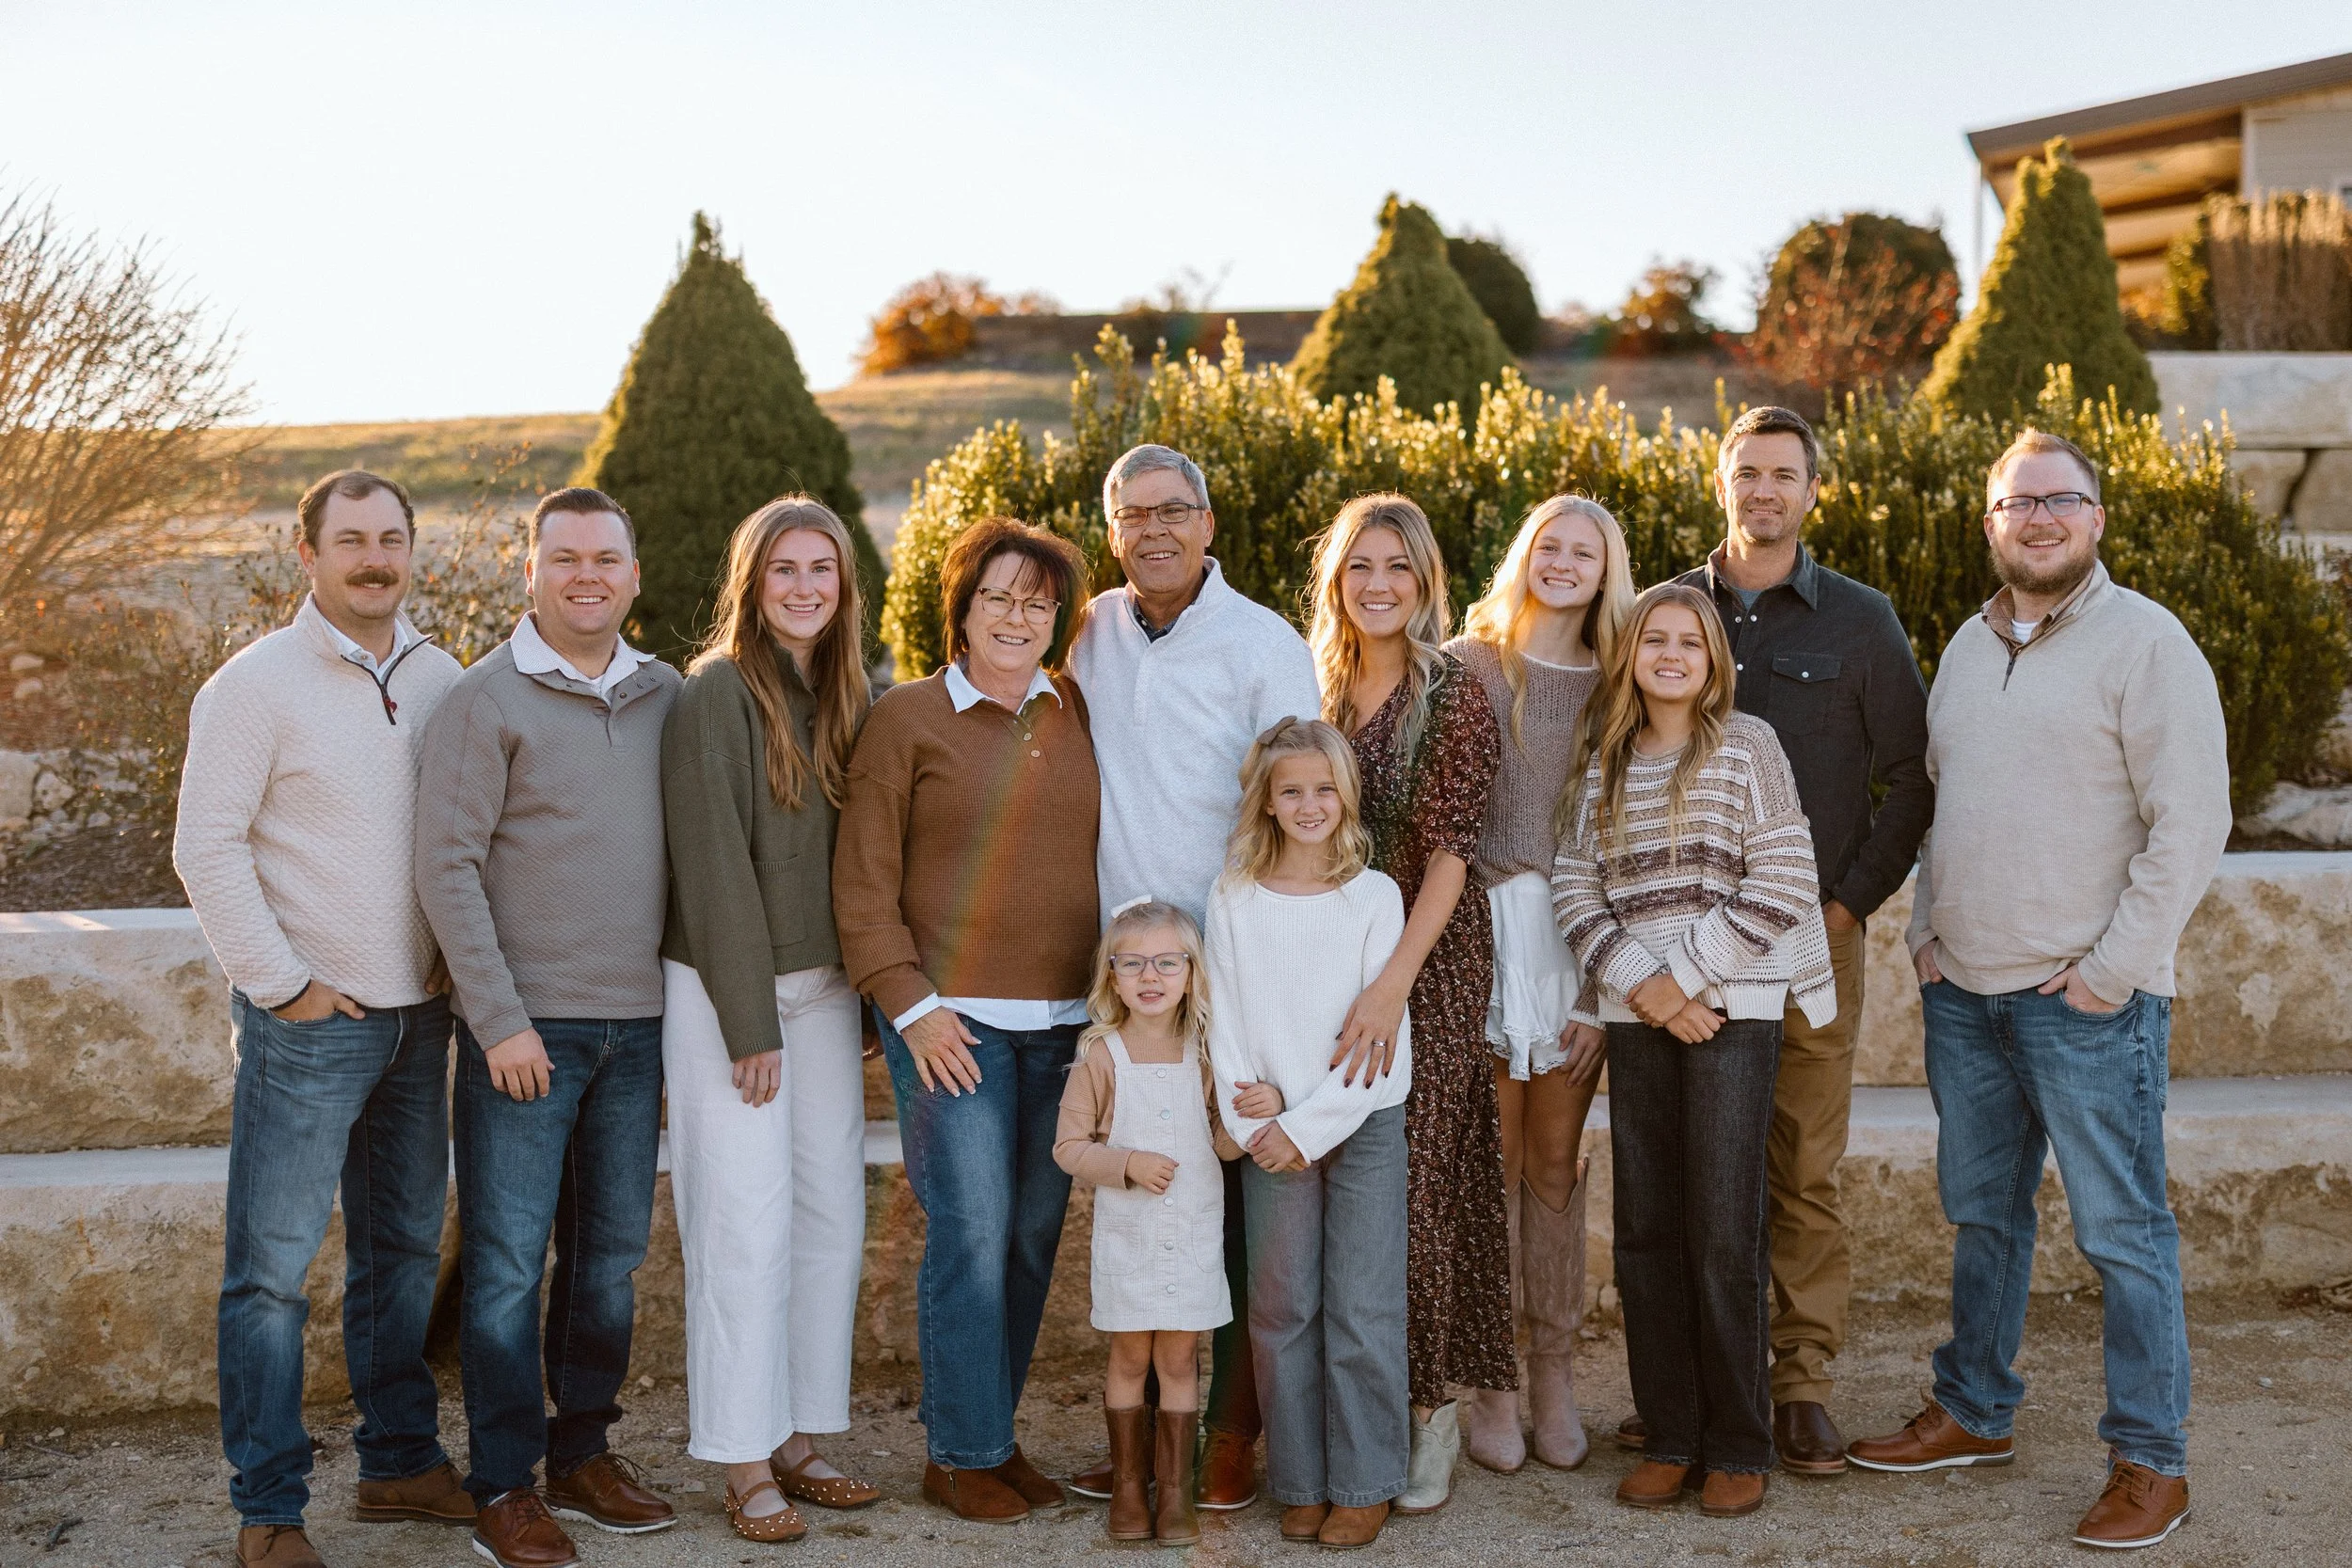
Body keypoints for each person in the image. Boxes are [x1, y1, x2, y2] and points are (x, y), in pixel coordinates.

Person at [1846, 430, 2230, 1552]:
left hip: (2086, 1003)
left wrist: (2111, 972)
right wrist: (1923, 932)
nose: (2041, 517)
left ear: (2098, 518)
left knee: (2123, 1232)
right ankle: (1973, 1409)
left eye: (2063, 499)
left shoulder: (2146, 643)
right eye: (2019, 503)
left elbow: (2190, 825)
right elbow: (1941, 797)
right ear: (1991, 523)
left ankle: (2152, 1459)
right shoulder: (1966, 645)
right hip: (1964, 992)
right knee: (1982, 1217)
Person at [175, 469, 468, 1568]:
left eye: (391, 537)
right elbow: (204, 845)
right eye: (350, 540)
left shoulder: (442, 677)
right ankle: (269, 1505)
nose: (374, 558)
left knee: (399, 1254)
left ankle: (397, 1461)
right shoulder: (252, 686)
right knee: (270, 1273)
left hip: (419, 1021)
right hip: (311, 1026)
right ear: (308, 556)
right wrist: (283, 984)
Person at [413, 487, 683, 1568]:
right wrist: (500, 1022)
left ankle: (583, 1451)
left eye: (605, 557)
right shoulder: (487, 699)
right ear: (530, 572)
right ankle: (502, 1482)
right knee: (508, 1266)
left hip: (640, 1029)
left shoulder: (667, 692)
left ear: (632, 572)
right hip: (523, 1035)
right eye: (563, 557)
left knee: (609, 1260)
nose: (586, 575)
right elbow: (445, 865)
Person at [1665, 404, 1931, 1473]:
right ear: (1720, 481)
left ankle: (1802, 1383)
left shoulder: (1860, 622)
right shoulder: (1665, 609)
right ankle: (1694, 1384)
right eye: (1747, 472)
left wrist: (1846, 903)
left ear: (1813, 492)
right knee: (1692, 1169)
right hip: (1682, 952)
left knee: (1801, 1168)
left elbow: (1912, 776)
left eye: (1784, 474)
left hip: (1810, 942)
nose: (1764, 490)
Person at [1066, 442, 1320, 1510]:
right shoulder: (1086, 634)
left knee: (1235, 1200)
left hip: (1234, 967)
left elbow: (1301, 801)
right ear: (1113, 528)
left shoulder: (1263, 642)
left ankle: (1229, 1429)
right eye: (1134, 514)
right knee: (1143, 1201)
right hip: (1128, 975)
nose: (1155, 530)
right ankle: (1152, 1436)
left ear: (1209, 523)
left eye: (1175, 510)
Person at [832, 516, 1101, 1524]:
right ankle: (958, 1451)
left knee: (1032, 1233)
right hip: (953, 1027)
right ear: (962, 605)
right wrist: (911, 1007)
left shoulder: (1073, 706)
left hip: (1068, 1024)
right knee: (972, 1228)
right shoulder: (905, 716)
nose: (1017, 616)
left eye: (1037, 602)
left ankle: (994, 1433)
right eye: (999, 597)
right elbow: (861, 886)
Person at [1551, 582, 1836, 1522]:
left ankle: (1737, 1439)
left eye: (1690, 642)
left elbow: (1787, 874)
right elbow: (1574, 888)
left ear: (1714, 659)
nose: (1671, 655)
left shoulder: (1746, 746)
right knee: (1646, 1229)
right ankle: (1670, 1432)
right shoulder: (1602, 756)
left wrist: (1691, 977)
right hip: (1641, 1016)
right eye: (1655, 640)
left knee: (1722, 1226)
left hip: (1731, 1012)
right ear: (1630, 652)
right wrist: (1646, 984)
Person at [659, 499, 880, 1544]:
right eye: (783, 568)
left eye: (821, 569)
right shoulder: (713, 695)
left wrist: (878, 989)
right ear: (752, 582)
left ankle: (797, 1431)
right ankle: (742, 1454)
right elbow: (711, 869)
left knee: (828, 1220)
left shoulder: (847, 693)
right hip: (727, 997)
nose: (802, 586)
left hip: (829, 993)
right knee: (741, 1225)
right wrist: (749, 1020)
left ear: (843, 585)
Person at [1309, 492, 1507, 1515]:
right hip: (1319, 962)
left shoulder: (1454, 692)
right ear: (1335, 583)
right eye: (1359, 568)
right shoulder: (1316, 692)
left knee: (1416, 1190)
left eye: (1397, 567)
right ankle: (1347, 1406)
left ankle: (1431, 1411)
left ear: (1425, 580)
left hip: (1424, 963)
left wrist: (1392, 984)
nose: (1378, 585)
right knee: (1333, 1186)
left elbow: (1450, 855)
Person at [1442, 495, 1635, 1474]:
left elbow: (1625, 837)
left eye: (1584, 553)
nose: (1563, 564)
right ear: (1524, 555)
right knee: (1488, 1162)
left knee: (1552, 1168)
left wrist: (1601, 993)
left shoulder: (1619, 683)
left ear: (1606, 572)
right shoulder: (1465, 665)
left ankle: (1553, 1369)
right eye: (1548, 547)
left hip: (1573, 943)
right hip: (1477, 938)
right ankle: (1490, 1383)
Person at [1205, 718, 1413, 1551]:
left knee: (1362, 1304)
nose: (1309, 803)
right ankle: (1297, 1477)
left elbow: (1382, 1052)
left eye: (1325, 788)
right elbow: (1219, 1019)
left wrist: (1305, 1123)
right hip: (1265, 1123)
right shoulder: (1233, 894)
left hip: (1358, 1122)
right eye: (1290, 789)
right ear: (1266, 799)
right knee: (1282, 1303)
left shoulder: (1374, 897)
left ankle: (1362, 1480)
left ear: (1347, 795)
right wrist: (1251, 1114)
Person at [1053, 899, 1238, 1546]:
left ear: (1192, 972)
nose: (1150, 975)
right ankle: (1130, 1488)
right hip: (1128, 1236)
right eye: (1132, 963)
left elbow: (1225, 1142)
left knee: (1183, 1354)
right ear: (1113, 974)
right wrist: (1126, 1161)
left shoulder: (1209, 1051)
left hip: (1190, 1232)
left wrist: (1257, 1112)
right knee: (1131, 1351)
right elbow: (1068, 1147)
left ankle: (1177, 1492)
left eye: (1166, 961)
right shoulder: (1101, 1055)